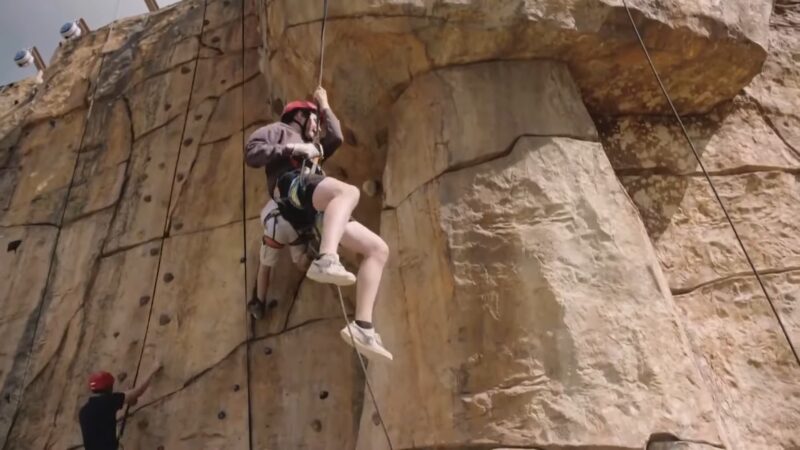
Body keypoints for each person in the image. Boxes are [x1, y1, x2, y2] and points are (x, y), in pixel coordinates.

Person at [244, 87, 392, 362]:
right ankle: (327, 258)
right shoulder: (279, 130)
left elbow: (336, 136)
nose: (317, 126)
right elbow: (253, 153)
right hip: (290, 187)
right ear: (299, 116)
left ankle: (363, 326)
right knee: (347, 193)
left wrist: (323, 105)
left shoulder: (315, 148)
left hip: (311, 208)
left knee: (377, 250)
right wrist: (293, 148)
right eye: (313, 119)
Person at [247, 198, 317, 320]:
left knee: (265, 266)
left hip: (275, 225)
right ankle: (309, 253)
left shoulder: (270, 202)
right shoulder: (296, 192)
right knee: (300, 262)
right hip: (295, 225)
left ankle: (259, 303)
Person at [78, 364, 161, 450]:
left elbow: (132, 401)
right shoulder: (108, 402)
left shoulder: (83, 411)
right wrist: (153, 371)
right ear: (108, 388)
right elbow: (138, 391)